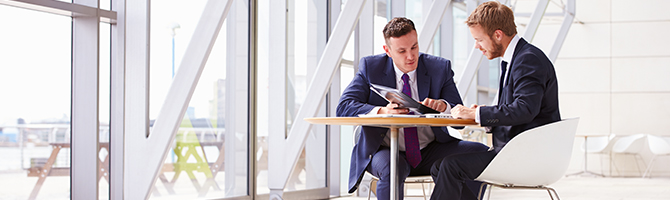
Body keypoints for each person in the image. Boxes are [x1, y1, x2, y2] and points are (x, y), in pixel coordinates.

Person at [336, 17, 489, 200]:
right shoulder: (371, 67)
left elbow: (458, 118)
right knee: (393, 167)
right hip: (384, 150)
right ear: (388, 51)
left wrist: (444, 107)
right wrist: (383, 111)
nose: (411, 56)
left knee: (480, 153)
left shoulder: (439, 68)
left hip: (430, 150)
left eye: (414, 47)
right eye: (402, 51)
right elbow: (344, 106)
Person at [429, 1, 561, 199]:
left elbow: (525, 109)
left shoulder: (527, 59)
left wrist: (477, 114)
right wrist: (480, 113)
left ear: (498, 35)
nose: (476, 46)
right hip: (516, 151)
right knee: (439, 167)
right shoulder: (516, 58)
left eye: (479, 40)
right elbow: (516, 107)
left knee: (450, 166)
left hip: (528, 155)